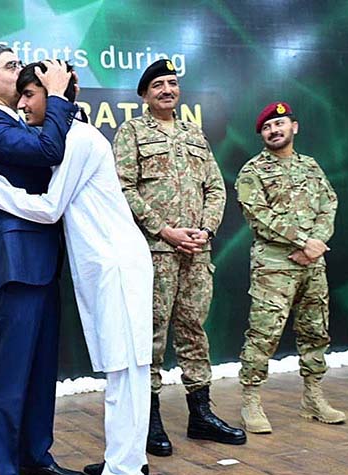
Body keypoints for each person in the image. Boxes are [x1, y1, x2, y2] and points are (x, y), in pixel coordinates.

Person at [0, 61, 153, 475]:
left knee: (126, 370)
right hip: (39, 265)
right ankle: (112, 464)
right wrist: (58, 102)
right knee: (117, 369)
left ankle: (125, 473)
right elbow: (46, 156)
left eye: (34, 92)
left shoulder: (77, 137)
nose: (27, 100)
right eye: (19, 82)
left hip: (112, 264)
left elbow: (50, 207)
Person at [0, 46, 83, 475]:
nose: (22, 72)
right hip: (14, 263)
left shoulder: (20, 122)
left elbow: (59, 146)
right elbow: (49, 150)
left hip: (43, 260)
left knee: (39, 370)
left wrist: (61, 97)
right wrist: (55, 96)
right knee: (10, 374)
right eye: (12, 67)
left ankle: (35, 455)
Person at [114, 59, 246, 454]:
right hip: (155, 251)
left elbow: (215, 188)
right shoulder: (132, 132)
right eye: (158, 85)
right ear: (144, 94)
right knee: (151, 335)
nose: (167, 90)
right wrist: (164, 230)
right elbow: (123, 188)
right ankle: (149, 421)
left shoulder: (193, 133)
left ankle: (200, 415)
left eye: (172, 83)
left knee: (194, 330)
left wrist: (204, 230)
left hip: (196, 251)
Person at [236, 101, 345, 433]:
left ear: (293, 127)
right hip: (273, 266)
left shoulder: (311, 167)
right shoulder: (252, 171)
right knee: (264, 334)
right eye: (267, 127)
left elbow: (329, 204)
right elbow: (258, 215)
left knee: (315, 331)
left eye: (279, 124)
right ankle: (250, 401)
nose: (274, 130)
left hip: (312, 264)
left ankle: (313, 398)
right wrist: (303, 242)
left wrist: (315, 245)